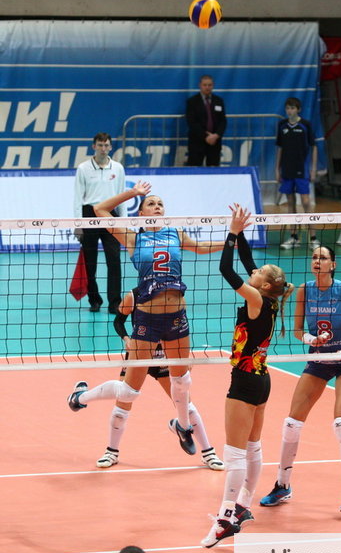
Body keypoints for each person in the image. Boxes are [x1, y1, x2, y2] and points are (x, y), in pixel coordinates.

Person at [68, 183, 226, 459]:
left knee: (182, 383)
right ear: (140, 213)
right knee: (129, 392)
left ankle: (187, 431)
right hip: (147, 320)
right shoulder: (133, 238)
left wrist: (232, 240)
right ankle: (83, 402)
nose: (157, 207)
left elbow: (201, 247)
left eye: (160, 204)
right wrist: (133, 193)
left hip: (175, 317)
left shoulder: (175, 233)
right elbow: (99, 209)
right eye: (151, 203)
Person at [201, 204, 294, 548]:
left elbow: (226, 268)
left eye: (258, 273)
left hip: (243, 381)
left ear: (264, 284)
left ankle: (225, 519)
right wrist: (240, 232)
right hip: (261, 379)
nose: (253, 270)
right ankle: (243, 505)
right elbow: (247, 260)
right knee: (253, 447)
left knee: (235, 453)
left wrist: (230, 234)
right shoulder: (268, 298)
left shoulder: (255, 297)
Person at [259, 246, 341, 512]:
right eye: (314, 257)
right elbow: (298, 330)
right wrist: (312, 339)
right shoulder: (304, 291)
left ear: (333, 264)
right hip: (319, 359)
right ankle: (282, 485)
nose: (317, 261)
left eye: (323, 258)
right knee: (291, 424)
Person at [94, 286, 224, 471]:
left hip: (164, 356)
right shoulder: (134, 295)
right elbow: (118, 321)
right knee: (122, 404)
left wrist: (184, 358)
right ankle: (111, 452)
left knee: (185, 404)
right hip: (139, 354)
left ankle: (208, 453)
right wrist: (126, 339)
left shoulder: (175, 296)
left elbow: (181, 328)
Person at [73, 132, 127, 314]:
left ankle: (115, 303)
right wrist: (78, 224)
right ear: (94, 146)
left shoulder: (118, 168)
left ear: (110, 147)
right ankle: (94, 300)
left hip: (111, 215)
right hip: (89, 215)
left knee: (114, 261)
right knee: (90, 262)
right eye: (100, 145)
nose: (103, 149)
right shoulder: (83, 168)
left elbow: (122, 196)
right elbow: (77, 198)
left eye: (106, 145)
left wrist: (124, 222)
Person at [276, 97, 320, 250]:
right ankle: (294, 237)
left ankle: (313, 238)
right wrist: (277, 169)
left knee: (306, 202)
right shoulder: (282, 125)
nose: (290, 111)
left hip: (302, 169)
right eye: (288, 108)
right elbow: (280, 148)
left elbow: (314, 147)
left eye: (293, 108)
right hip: (287, 169)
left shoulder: (305, 125)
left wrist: (313, 168)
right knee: (290, 203)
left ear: (298, 109)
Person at [186, 74, 227, 167]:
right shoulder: (192, 102)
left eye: (209, 85)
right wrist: (206, 136)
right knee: (194, 170)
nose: (207, 87)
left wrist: (216, 135)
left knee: (214, 170)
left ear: (213, 85)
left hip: (214, 143)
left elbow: (223, 121)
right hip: (197, 142)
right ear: (200, 85)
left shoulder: (218, 101)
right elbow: (192, 122)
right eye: (205, 85)